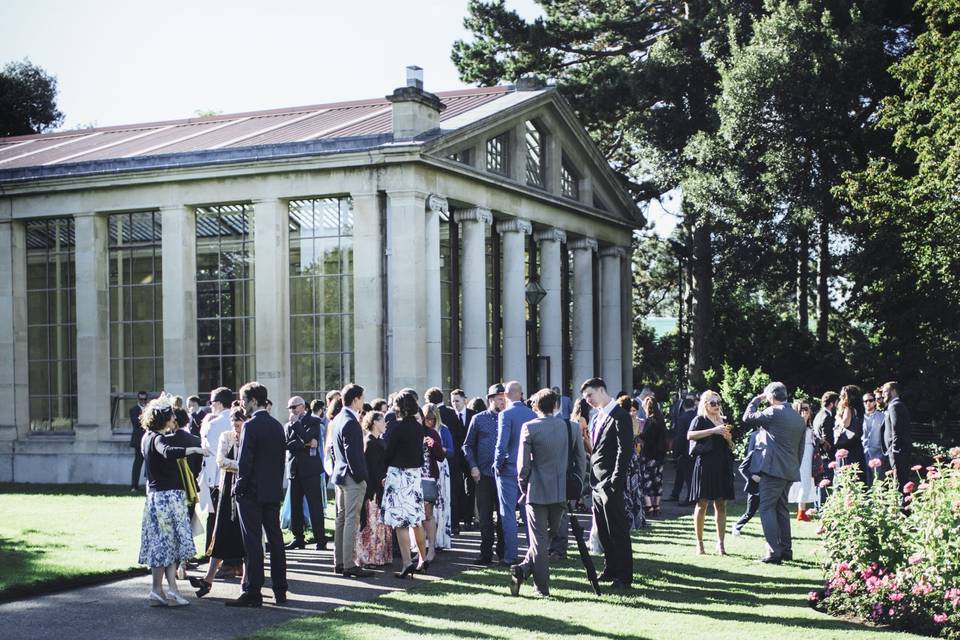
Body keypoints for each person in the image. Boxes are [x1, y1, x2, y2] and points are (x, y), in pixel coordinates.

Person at [137, 393, 205, 607]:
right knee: (166, 544)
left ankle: (164, 590)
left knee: (165, 545)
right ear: (164, 419)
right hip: (167, 498)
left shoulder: (146, 437)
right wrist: (193, 449)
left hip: (158, 497)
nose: (174, 420)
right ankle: (161, 590)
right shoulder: (157, 439)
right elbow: (167, 452)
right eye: (172, 417)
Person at [228, 381, 288, 607]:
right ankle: (280, 590)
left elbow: (245, 462)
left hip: (251, 492)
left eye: (244, 400)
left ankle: (253, 590)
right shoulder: (277, 426)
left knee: (253, 542)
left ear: (254, 401)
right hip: (272, 491)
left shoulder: (251, 426)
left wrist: (239, 488)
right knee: (276, 541)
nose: (242, 405)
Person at [510, 388, 568, 598]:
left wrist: (523, 486)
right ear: (555, 405)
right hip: (560, 491)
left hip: (536, 491)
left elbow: (522, 465)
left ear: (536, 406)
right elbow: (575, 459)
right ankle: (525, 572)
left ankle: (538, 585)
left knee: (539, 540)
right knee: (544, 539)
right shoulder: (566, 426)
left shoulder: (529, 427)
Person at [743, 381, 807, 564]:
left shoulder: (773, 412)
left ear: (771, 397)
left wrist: (755, 399)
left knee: (766, 508)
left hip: (773, 470)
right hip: (789, 470)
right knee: (781, 509)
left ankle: (773, 552)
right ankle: (786, 550)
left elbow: (747, 418)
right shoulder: (797, 417)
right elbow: (800, 449)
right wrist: (794, 468)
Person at [190, 406, 247, 598]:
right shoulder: (226, 437)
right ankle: (208, 579)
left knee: (245, 537)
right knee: (221, 533)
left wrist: (242, 468)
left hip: (245, 490)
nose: (235, 426)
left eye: (238, 422)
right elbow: (221, 461)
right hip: (227, 489)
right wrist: (244, 466)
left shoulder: (249, 436)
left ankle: (245, 583)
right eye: (233, 422)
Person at [582, 377, 633, 589]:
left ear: (602, 390)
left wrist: (615, 481)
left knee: (617, 529)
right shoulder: (597, 416)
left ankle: (624, 575)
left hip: (610, 482)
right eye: (585, 398)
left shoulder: (620, 415)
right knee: (603, 529)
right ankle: (610, 568)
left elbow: (624, 450)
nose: (588, 401)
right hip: (596, 482)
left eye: (590, 396)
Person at [382, 389, 429, 578]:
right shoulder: (419, 427)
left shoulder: (397, 427)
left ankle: (407, 562)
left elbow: (389, 452)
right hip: (414, 475)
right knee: (416, 520)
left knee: (400, 523)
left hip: (398, 475)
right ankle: (423, 559)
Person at [330, 383, 372, 578]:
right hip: (351, 477)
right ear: (355, 400)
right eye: (362, 398)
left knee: (341, 518)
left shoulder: (338, 419)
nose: (363, 402)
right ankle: (348, 563)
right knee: (350, 520)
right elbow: (353, 454)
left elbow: (333, 449)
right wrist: (361, 477)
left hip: (339, 474)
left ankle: (339, 561)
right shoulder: (350, 421)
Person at [687, 390, 735, 555]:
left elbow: (733, 447)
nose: (716, 406)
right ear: (705, 404)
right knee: (702, 504)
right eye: (712, 403)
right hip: (705, 465)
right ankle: (699, 543)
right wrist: (713, 431)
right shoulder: (700, 419)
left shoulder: (724, 421)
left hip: (722, 466)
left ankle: (720, 544)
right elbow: (690, 435)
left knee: (721, 505)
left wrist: (727, 438)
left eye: (718, 403)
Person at [463, 384, 506, 564]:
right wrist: (473, 466)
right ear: (490, 399)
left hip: (505, 475)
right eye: (499, 398)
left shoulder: (509, 418)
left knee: (504, 517)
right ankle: (485, 553)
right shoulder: (479, 419)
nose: (503, 401)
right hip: (484, 475)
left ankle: (504, 552)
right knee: (485, 517)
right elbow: (467, 445)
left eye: (504, 397)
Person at [495, 380, 536, 565]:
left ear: (505, 395)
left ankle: (511, 555)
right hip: (528, 469)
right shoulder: (532, 414)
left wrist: (496, 464)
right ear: (521, 394)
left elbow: (501, 444)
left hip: (508, 469)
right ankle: (532, 552)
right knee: (528, 512)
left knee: (508, 513)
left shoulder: (505, 415)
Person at [284, 395, 328, 551]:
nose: (291, 411)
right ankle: (298, 538)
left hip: (310, 470)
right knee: (295, 506)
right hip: (295, 469)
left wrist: (299, 430)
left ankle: (320, 539)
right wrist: (305, 443)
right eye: (289, 408)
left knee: (315, 505)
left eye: (294, 407)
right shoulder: (289, 424)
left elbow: (310, 437)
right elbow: (288, 444)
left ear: (303, 406)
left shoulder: (314, 421)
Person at [199, 387, 234, 554]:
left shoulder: (213, 424)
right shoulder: (238, 420)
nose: (211, 406)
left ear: (219, 403)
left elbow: (207, 451)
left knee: (214, 518)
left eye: (212, 403)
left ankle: (211, 552)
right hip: (235, 474)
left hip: (216, 476)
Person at [356, 411, 392, 567]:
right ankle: (370, 557)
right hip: (374, 491)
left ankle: (379, 556)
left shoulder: (379, 441)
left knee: (380, 524)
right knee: (372, 523)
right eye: (382, 420)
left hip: (381, 489)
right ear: (375, 422)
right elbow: (372, 470)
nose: (385, 423)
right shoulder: (370, 442)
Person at [419, 403, 447, 562]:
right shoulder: (411, 432)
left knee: (427, 514)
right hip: (412, 478)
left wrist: (433, 444)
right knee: (417, 517)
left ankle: (431, 549)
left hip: (428, 476)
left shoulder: (431, 433)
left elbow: (440, 456)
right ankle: (420, 549)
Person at [618, 395, 646, 529]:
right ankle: (635, 518)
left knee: (630, 488)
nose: (632, 413)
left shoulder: (628, 422)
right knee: (633, 488)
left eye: (634, 410)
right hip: (633, 456)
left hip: (630, 456)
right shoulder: (633, 422)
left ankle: (631, 519)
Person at [451, 389, 477, 530]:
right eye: (453, 401)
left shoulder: (473, 415)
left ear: (464, 400)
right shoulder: (450, 416)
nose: (455, 404)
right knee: (457, 486)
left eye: (457, 400)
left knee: (471, 488)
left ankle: (468, 518)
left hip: (470, 456)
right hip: (455, 457)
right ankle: (459, 517)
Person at [881, 381, 912, 493]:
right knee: (899, 483)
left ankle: (902, 509)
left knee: (899, 484)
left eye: (885, 391)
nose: (882, 394)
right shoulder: (895, 406)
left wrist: (894, 450)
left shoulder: (895, 406)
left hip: (897, 453)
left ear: (893, 391)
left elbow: (896, 431)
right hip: (898, 452)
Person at [788, 399, 816, 521]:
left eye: (807, 409)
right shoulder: (796, 425)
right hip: (801, 455)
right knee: (803, 482)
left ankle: (802, 510)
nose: (805, 412)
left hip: (809, 454)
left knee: (807, 482)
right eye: (802, 409)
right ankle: (801, 511)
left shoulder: (809, 426)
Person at [640, 395, 668, 517]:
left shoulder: (649, 421)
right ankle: (657, 506)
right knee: (658, 480)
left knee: (647, 480)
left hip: (649, 455)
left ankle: (649, 507)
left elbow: (645, 437)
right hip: (660, 455)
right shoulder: (661, 420)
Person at [732, 426, 761, 536]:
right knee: (750, 512)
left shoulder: (771, 454)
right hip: (755, 487)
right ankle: (737, 525)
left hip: (766, 486)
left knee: (768, 510)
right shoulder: (753, 453)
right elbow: (742, 468)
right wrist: (752, 477)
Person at [668, 395, 697, 505]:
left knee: (687, 475)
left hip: (685, 451)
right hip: (694, 449)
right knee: (681, 473)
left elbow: (680, 437)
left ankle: (690, 498)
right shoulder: (696, 416)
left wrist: (676, 453)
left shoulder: (682, 418)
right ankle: (675, 493)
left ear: (684, 407)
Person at [834, 385, 865, 477]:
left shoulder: (849, 408)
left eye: (842, 395)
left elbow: (845, 424)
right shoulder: (858, 410)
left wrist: (838, 417)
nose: (840, 397)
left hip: (848, 447)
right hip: (855, 445)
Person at [862, 390, 887, 485]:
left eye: (870, 400)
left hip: (878, 454)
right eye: (865, 401)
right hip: (863, 454)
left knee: (879, 483)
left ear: (875, 402)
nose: (868, 403)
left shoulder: (883, 416)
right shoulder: (859, 417)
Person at [129, 391, 149, 492]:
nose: (143, 401)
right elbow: (136, 422)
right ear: (138, 399)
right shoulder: (134, 409)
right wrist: (147, 417)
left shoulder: (149, 409)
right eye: (141, 399)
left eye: (145, 399)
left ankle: (149, 485)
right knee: (138, 463)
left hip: (149, 440)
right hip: (138, 440)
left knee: (150, 463)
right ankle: (134, 486)